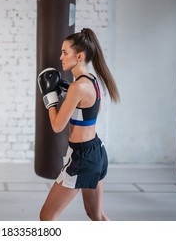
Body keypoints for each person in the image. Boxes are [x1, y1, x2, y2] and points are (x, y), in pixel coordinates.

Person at [37, 28, 120, 221]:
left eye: (65, 53)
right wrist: (66, 94)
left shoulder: (77, 87)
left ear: (79, 56)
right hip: (96, 151)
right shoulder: (91, 81)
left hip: (82, 157)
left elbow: (57, 126)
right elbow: (88, 112)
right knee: (96, 215)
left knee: (47, 217)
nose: (61, 57)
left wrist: (50, 98)